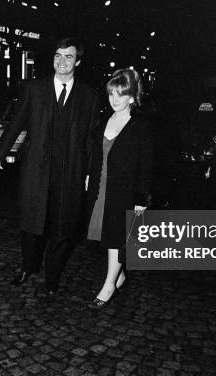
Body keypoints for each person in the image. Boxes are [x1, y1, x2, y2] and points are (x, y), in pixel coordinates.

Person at [0, 37, 99, 294]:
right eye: (58, 55)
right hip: (36, 170)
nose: (62, 61)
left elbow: (91, 138)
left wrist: (90, 173)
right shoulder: (35, 89)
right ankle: (28, 266)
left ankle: (52, 275)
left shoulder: (89, 96)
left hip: (70, 172)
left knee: (63, 227)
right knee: (31, 223)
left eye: (68, 56)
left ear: (78, 61)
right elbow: (16, 123)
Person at [85, 68, 154, 309]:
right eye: (112, 93)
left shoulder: (139, 126)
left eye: (121, 94)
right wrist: (88, 176)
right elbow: (95, 154)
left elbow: (146, 165)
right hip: (101, 187)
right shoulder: (104, 121)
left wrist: (141, 198)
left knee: (115, 238)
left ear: (132, 97)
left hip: (123, 191)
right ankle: (120, 275)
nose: (115, 99)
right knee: (105, 236)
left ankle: (109, 285)